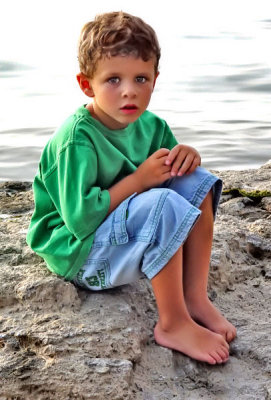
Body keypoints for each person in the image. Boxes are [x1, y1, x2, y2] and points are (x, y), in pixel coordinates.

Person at [27, 11, 236, 365]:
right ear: (85, 84)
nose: (129, 91)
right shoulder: (76, 140)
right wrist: (138, 181)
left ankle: (194, 297)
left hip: (121, 231)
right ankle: (173, 322)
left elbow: (174, 178)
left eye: (141, 78)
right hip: (80, 253)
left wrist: (188, 155)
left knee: (196, 181)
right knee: (163, 202)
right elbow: (80, 222)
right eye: (113, 80)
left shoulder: (152, 126)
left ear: (155, 79)